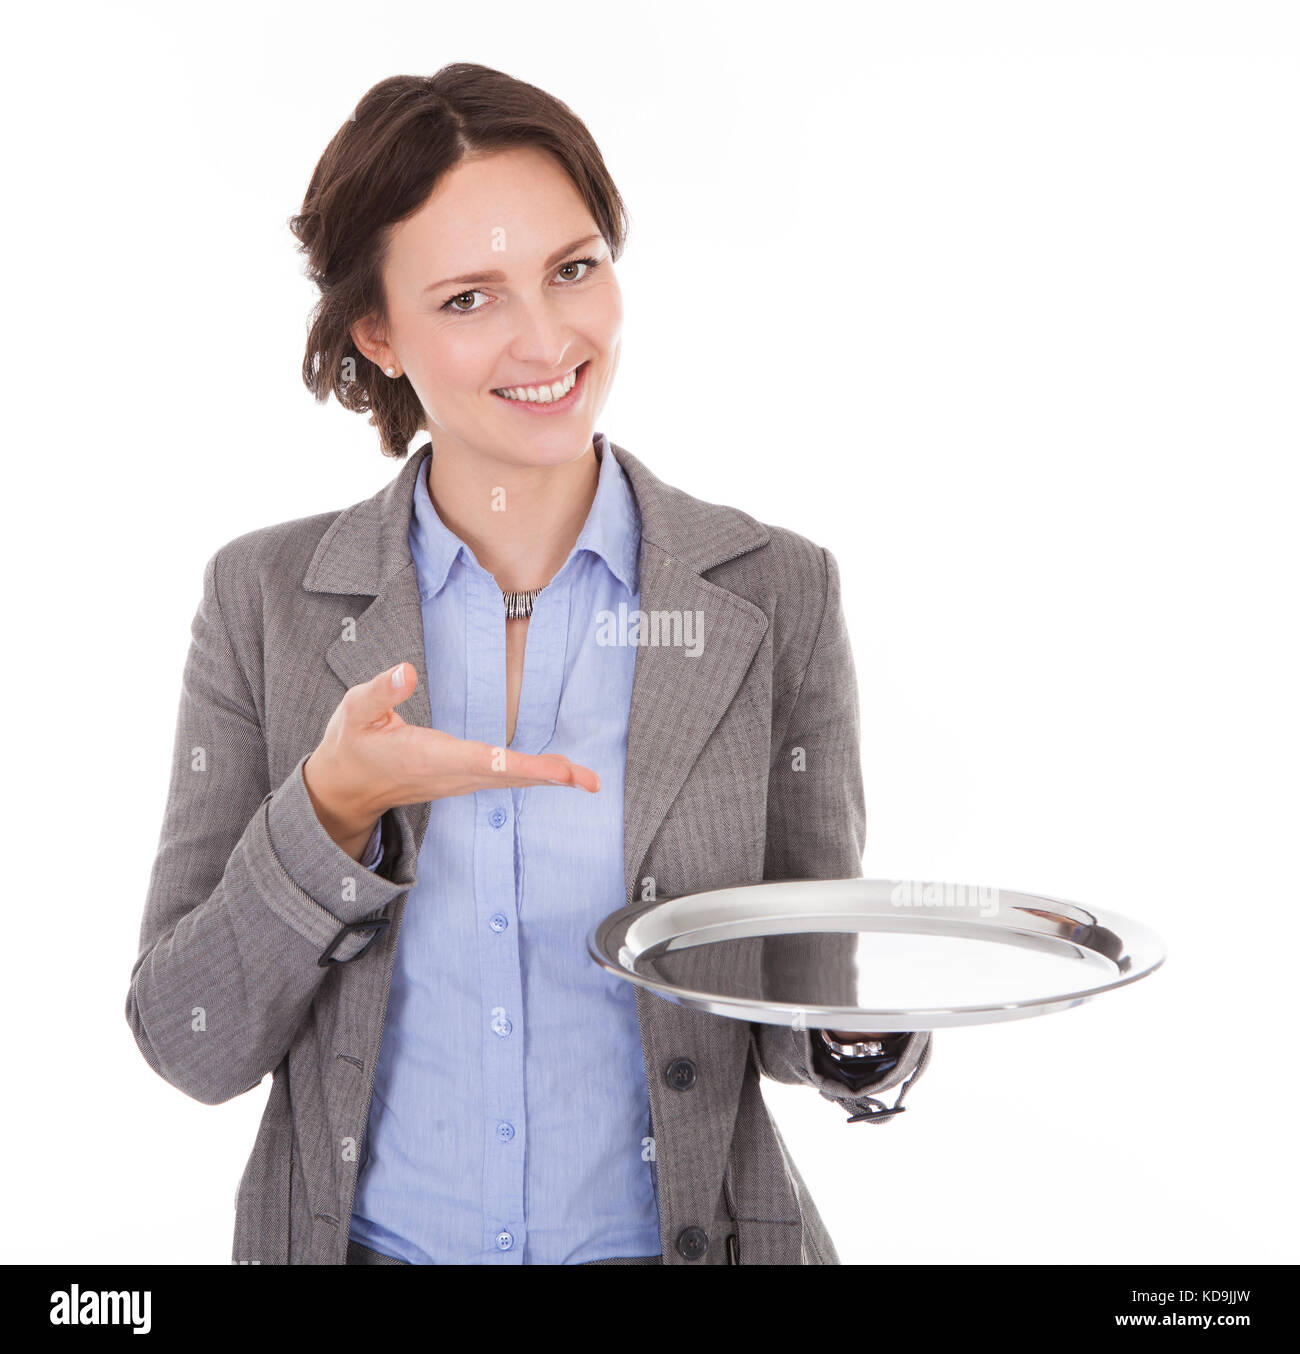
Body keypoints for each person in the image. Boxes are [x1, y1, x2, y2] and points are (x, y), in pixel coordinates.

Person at [125, 62, 933, 1266]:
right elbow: (190, 1040)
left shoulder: (774, 592)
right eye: (468, 299)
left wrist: (861, 1042)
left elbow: (796, 994)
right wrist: (328, 813)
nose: (548, 338)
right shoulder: (265, 601)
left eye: (573, 267)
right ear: (376, 332)